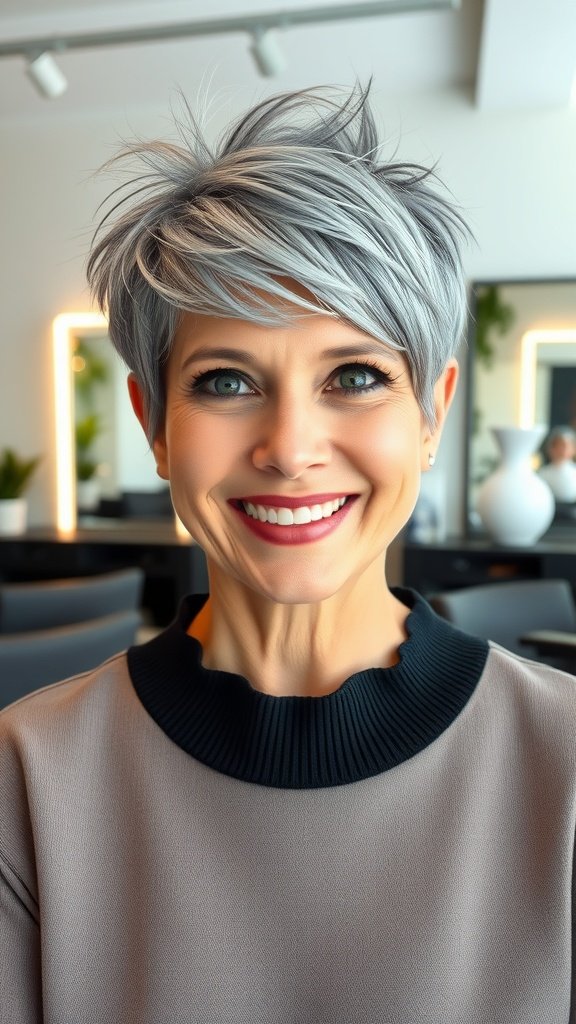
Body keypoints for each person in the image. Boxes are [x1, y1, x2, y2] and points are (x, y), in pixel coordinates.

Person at [1, 84, 575, 1024]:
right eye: (225, 380)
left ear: (431, 414)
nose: (290, 446)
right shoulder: (28, 783)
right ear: (154, 424)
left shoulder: (567, 770)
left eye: (355, 376)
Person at [539, 425, 576, 503]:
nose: (563, 450)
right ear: (551, 448)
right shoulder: (543, 473)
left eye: (567, 446)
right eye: (559, 446)